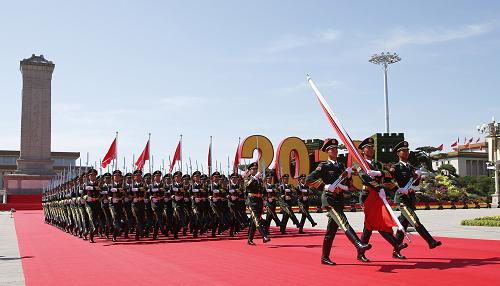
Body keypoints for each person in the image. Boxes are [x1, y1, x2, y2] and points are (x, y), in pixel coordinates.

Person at [306, 138, 371, 265]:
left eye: (336, 149)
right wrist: (324, 186)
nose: (335, 151)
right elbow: (309, 179)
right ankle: (359, 244)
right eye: (332, 149)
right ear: (327, 151)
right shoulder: (323, 166)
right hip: (329, 199)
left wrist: (349, 177)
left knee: (331, 231)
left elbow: (348, 186)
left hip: (339, 199)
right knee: (343, 221)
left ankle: (324, 257)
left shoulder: (341, 166)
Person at [355, 137, 408, 262]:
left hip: (379, 195)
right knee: (374, 223)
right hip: (367, 195)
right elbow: (364, 178)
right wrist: (378, 186)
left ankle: (361, 252)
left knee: (370, 225)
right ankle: (396, 244)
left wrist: (397, 189)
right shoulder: (360, 163)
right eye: (368, 147)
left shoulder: (378, 164)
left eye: (372, 147)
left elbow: (389, 175)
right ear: (363, 150)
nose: (371, 149)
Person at [391, 140, 442, 251]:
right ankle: (430, 241)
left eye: (407, 150)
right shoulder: (395, 167)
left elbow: (416, 183)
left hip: (410, 198)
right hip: (402, 200)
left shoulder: (410, 167)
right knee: (414, 220)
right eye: (403, 151)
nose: (406, 152)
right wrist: (398, 189)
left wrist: (418, 177)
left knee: (402, 225)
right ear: (398, 153)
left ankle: (396, 250)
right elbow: (389, 181)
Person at [244, 162, 271, 245]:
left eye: (256, 169)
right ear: (250, 170)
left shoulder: (259, 179)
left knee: (254, 221)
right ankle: (264, 236)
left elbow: (262, 190)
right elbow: (247, 186)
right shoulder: (247, 178)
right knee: (257, 220)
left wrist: (265, 198)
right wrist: (255, 178)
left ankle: (250, 239)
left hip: (259, 200)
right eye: (253, 169)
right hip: (251, 201)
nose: (255, 170)